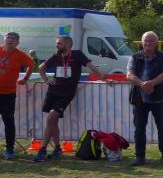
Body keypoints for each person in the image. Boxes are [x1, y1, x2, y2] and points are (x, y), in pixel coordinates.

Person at [35, 36, 110, 162]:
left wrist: (103, 77)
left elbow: (91, 66)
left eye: (59, 44)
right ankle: (57, 149)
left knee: (51, 117)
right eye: (56, 43)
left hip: (66, 94)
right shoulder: (56, 56)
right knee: (53, 121)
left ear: (68, 45)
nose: (57, 46)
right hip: (53, 92)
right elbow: (41, 67)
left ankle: (42, 149)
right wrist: (47, 80)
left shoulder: (77, 54)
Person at [127, 31, 163, 166]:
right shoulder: (134, 57)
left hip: (158, 99)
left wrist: (151, 83)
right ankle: (139, 157)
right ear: (142, 42)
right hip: (139, 99)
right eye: (146, 41)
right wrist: (143, 84)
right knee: (139, 129)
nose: (148, 43)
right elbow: (129, 75)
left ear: (156, 43)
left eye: (151, 41)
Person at [1, 32, 35, 160]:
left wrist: (25, 79)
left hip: (8, 93)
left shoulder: (20, 54)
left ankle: (9, 149)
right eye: (8, 38)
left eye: (13, 39)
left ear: (18, 42)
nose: (10, 40)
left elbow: (32, 65)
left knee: (8, 120)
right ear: (4, 39)